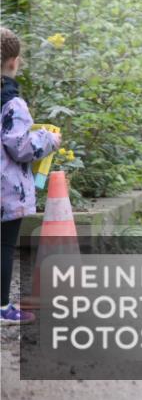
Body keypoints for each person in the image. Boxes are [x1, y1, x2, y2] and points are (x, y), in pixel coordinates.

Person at [1, 27, 60, 325]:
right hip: (6, 191)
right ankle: (1, 308)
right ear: (13, 62)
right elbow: (20, 146)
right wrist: (48, 140)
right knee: (4, 246)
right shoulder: (13, 104)